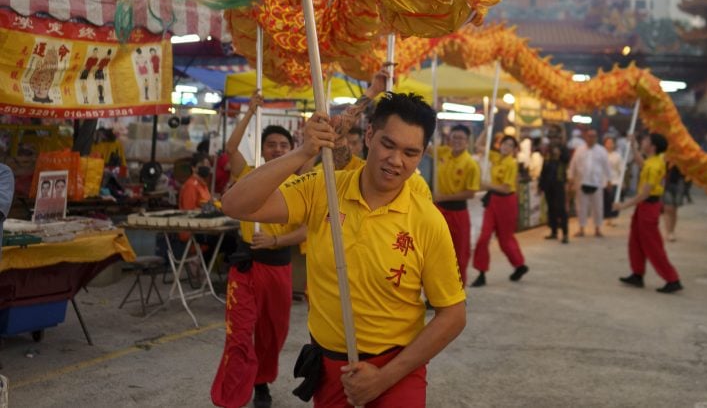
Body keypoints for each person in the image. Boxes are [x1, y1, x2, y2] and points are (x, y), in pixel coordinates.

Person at [221, 92, 465, 407]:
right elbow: (235, 204)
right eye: (387, 145)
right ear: (368, 135)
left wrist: (383, 378)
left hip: (398, 370)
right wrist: (302, 152)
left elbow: (454, 314)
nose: (395, 161)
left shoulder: (428, 220)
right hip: (332, 368)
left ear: (423, 154)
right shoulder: (324, 188)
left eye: (410, 152)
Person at [213, 90, 312, 408]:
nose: (277, 149)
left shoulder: (299, 182)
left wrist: (275, 241)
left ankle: (262, 383)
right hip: (245, 267)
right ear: (264, 148)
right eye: (272, 145)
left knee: (272, 334)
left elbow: (307, 229)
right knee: (240, 332)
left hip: (278, 267)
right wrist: (250, 112)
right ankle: (232, 393)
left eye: (283, 146)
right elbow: (231, 148)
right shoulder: (250, 174)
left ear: (290, 150)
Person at [617, 133, 683, 293]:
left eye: (645, 140)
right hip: (645, 207)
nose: (643, 142)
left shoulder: (655, 166)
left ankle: (672, 278)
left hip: (648, 206)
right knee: (636, 240)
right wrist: (633, 146)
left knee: (652, 245)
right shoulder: (655, 161)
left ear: (652, 146)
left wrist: (623, 205)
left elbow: (644, 194)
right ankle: (637, 274)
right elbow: (642, 164)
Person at [472, 135, 528, 286]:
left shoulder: (511, 163)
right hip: (492, 201)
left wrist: (487, 185)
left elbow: (506, 187)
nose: (506, 147)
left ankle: (519, 265)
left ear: (514, 149)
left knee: (505, 239)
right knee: (484, 237)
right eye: (505, 143)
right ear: (500, 144)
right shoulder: (495, 156)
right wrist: (486, 127)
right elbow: (478, 145)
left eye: (510, 145)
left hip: (507, 202)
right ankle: (481, 272)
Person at [433, 125, 481, 286]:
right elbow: (424, 148)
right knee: (436, 254)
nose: (457, 141)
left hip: (458, 213)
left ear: (467, 142)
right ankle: (436, 295)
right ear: (449, 139)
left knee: (459, 255)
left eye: (461, 138)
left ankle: (458, 294)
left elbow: (471, 193)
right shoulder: (443, 152)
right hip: (438, 211)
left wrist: (444, 197)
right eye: (454, 137)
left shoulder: (470, 164)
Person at [568, 128, 610, 238]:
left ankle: (598, 228)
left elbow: (607, 167)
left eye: (593, 136)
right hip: (582, 182)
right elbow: (573, 165)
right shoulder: (579, 150)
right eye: (589, 136)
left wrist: (609, 180)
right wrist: (571, 177)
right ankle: (581, 228)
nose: (591, 138)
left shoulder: (602, 151)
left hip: (597, 183)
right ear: (585, 137)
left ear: (596, 138)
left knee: (598, 207)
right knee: (581, 207)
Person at [539, 142, 570, 243]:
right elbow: (543, 173)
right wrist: (541, 186)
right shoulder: (547, 159)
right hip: (549, 188)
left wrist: (560, 151)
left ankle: (565, 234)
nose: (554, 151)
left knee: (561, 210)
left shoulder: (562, 160)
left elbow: (566, 157)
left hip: (559, 186)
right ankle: (554, 231)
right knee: (551, 209)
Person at [602, 136, 622, 224]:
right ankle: (604, 217)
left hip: (614, 180)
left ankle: (611, 218)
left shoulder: (617, 156)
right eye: (608, 143)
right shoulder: (601, 154)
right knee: (604, 200)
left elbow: (621, 169)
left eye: (611, 143)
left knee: (612, 199)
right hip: (602, 181)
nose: (609, 145)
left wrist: (622, 181)